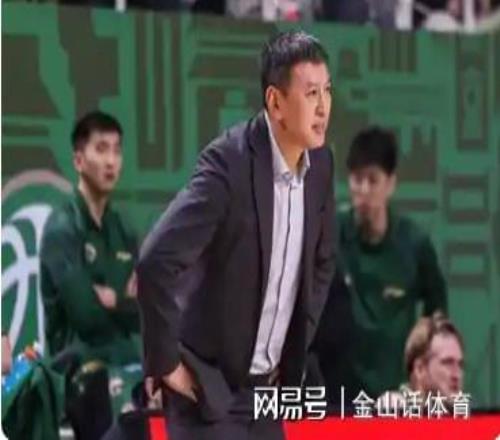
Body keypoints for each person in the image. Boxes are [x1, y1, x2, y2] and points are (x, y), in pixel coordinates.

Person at [137, 30, 335, 440]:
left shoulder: (321, 164)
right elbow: (156, 260)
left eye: (327, 91)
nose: (323, 107)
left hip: (267, 393)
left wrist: (293, 346)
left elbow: (322, 261)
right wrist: (165, 361)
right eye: (311, 93)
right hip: (208, 391)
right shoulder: (229, 163)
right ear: (275, 102)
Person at [314, 126, 447, 403]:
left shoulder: (415, 244)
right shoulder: (328, 235)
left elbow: (438, 315)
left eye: (373, 180)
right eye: (357, 179)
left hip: (395, 399)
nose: (363, 190)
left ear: (391, 184)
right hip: (337, 399)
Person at [40, 111, 141, 439]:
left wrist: (114, 302)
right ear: (79, 161)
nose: (111, 161)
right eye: (101, 149)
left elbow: (144, 313)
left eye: (117, 150)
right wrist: (123, 301)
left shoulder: (124, 230)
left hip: (127, 363)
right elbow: (86, 317)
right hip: (78, 371)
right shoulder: (61, 229)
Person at [378, 312, 465, 411]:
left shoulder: (460, 412)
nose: (457, 375)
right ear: (420, 369)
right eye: (447, 363)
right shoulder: (393, 405)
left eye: (460, 365)